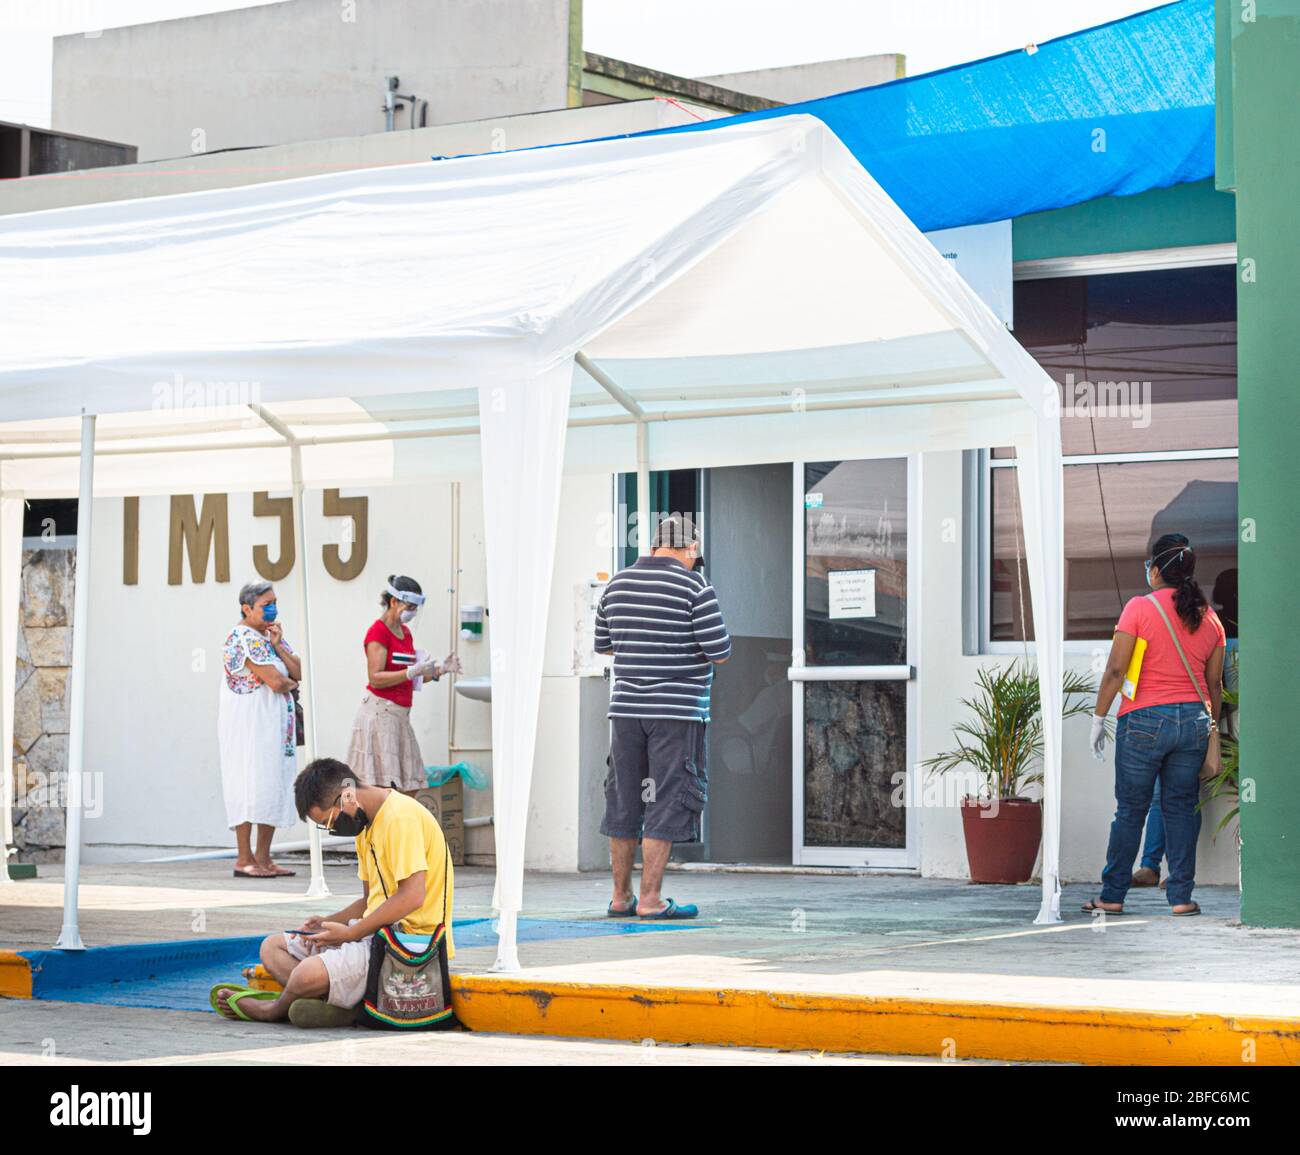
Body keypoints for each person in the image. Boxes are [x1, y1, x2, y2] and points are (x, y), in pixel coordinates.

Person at [213, 757, 456, 1025]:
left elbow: (412, 896)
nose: (332, 829)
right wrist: (330, 923)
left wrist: (352, 932)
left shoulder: (400, 818)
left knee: (305, 975)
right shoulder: (366, 826)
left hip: (409, 944)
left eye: (329, 821)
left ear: (348, 795)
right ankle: (347, 1005)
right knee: (272, 947)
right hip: (374, 933)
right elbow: (369, 901)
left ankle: (274, 1009)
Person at [594, 514, 730, 920]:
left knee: (624, 797)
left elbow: (604, 645)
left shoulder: (616, 584)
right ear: (691, 548)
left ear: (654, 546)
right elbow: (720, 650)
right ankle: (651, 900)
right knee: (668, 799)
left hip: (625, 712)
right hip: (677, 713)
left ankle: (621, 897)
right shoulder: (694, 586)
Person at [1084, 534, 1225, 917]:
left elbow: (1115, 669)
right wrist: (1208, 724)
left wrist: (1099, 717)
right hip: (1194, 723)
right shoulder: (1209, 618)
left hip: (1143, 721)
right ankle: (1181, 897)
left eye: (1149, 565)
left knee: (1131, 810)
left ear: (1157, 569)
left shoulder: (1138, 609)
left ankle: (1112, 895)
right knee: (1180, 808)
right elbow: (1214, 685)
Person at [345, 575, 461, 792]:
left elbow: (412, 678)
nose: (413, 612)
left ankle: (399, 826)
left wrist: (440, 670)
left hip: (400, 717)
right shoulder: (378, 631)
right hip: (381, 714)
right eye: (409, 606)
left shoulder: (405, 633)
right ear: (393, 601)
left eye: (416, 608)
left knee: (410, 785)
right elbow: (375, 678)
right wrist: (409, 672)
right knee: (386, 788)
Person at [219, 580, 301, 878]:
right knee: (247, 782)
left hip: (275, 726)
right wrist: (288, 683)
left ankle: (264, 858)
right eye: (266, 604)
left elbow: (298, 670)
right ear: (246, 607)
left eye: (274, 602)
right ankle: (244, 858)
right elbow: (279, 682)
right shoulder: (241, 637)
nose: (273, 608)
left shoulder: (270, 635)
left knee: (273, 784)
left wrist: (279, 645)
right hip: (249, 725)